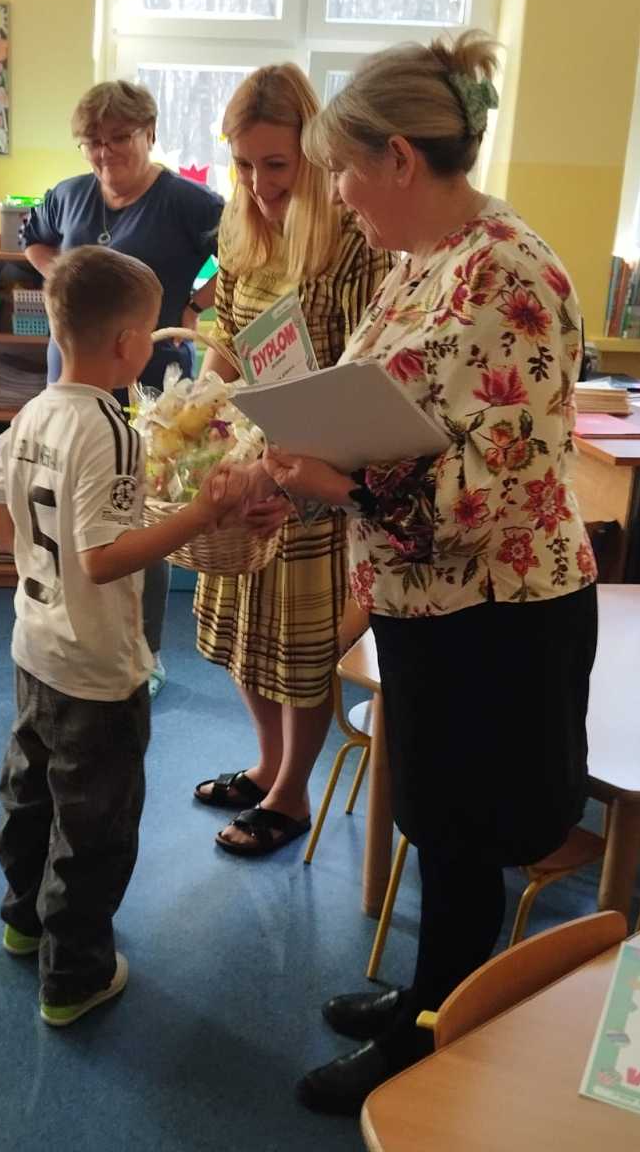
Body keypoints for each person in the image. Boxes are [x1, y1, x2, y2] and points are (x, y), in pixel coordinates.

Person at [246, 31, 600, 1113]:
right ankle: (426, 1000)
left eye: (343, 171)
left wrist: (340, 485)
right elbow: (401, 414)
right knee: (439, 822)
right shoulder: (422, 260)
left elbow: (495, 491)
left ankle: (435, 1039)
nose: (336, 194)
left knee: (466, 834)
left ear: (398, 158)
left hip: (499, 610)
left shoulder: (509, 271)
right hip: (427, 599)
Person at [0, 246, 251, 1027]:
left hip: (34, 647)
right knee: (94, 825)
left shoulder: (32, 413)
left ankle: (23, 921)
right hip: (97, 668)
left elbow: (0, 528)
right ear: (131, 343)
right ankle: (75, 977)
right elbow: (102, 559)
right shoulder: (111, 428)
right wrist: (200, 515)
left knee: (30, 795)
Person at [188, 64, 393, 857]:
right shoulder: (241, 231)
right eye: (243, 164)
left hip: (311, 473)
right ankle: (267, 762)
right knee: (246, 634)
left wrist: (293, 467)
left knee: (300, 648)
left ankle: (292, 791)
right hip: (249, 465)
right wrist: (199, 412)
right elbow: (225, 340)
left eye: (276, 164)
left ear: (313, 154)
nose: (258, 183)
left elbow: (362, 374)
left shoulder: (350, 242)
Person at [22, 80, 226, 698]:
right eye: (93, 141)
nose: (105, 152)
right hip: (72, 374)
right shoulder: (68, 195)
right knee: (69, 503)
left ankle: (145, 647)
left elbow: (240, 258)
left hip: (151, 379)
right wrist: (65, 284)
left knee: (138, 512)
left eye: (119, 138)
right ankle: (68, 630)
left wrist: (194, 305)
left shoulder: (189, 202)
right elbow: (33, 238)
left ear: (150, 134)